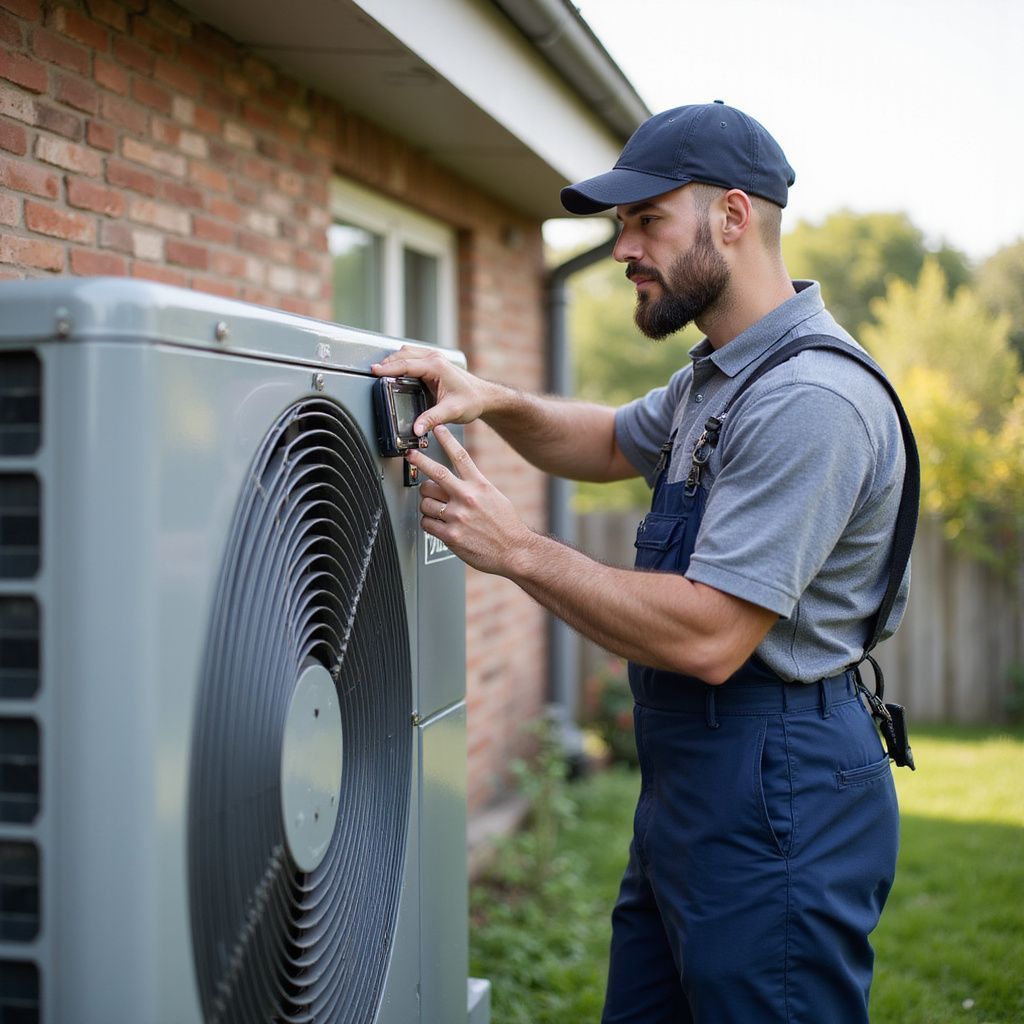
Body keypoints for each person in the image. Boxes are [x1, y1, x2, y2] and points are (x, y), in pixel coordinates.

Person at [372, 100, 913, 1024]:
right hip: (699, 786)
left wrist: (515, 550)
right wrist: (490, 398)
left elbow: (709, 635)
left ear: (733, 218)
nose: (622, 245)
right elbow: (608, 441)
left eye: (645, 218)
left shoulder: (810, 400)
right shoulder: (723, 372)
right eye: (621, 223)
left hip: (777, 785)